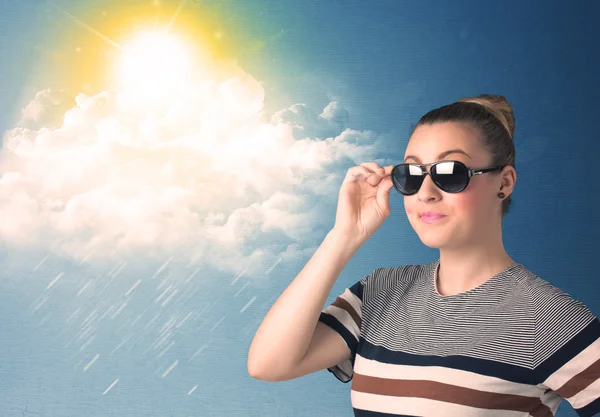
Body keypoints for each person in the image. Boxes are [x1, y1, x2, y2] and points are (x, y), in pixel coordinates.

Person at [247, 94, 600, 416]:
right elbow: (269, 364)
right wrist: (344, 236)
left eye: (451, 172)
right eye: (412, 174)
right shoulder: (379, 293)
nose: (426, 192)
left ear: (504, 183)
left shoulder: (547, 319)